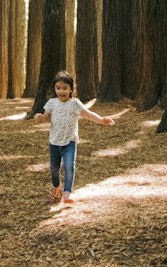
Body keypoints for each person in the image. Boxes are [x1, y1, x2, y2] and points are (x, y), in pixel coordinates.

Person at [34, 70, 114, 205]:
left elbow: (88, 114)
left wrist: (102, 120)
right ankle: (56, 186)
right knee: (54, 168)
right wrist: (40, 118)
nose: (61, 91)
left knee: (69, 166)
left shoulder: (75, 104)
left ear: (71, 89)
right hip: (54, 142)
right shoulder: (52, 103)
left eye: (65, 88)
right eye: (58, 88)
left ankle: (67, 193)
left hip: (69, 142)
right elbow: (46, 117)